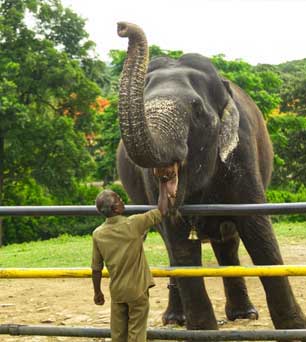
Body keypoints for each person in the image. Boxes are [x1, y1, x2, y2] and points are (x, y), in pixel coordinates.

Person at [91, 189, 165, 342]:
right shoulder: (133, 223)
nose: (122, 200)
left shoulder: (98, 234)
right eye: (118, 199)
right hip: (137, 290)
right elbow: (161, 211)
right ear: (115, 209)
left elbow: (96, 268)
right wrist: (164, 186)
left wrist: (97, 292)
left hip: (117, 292)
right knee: (137, 334)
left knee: (118, 335)